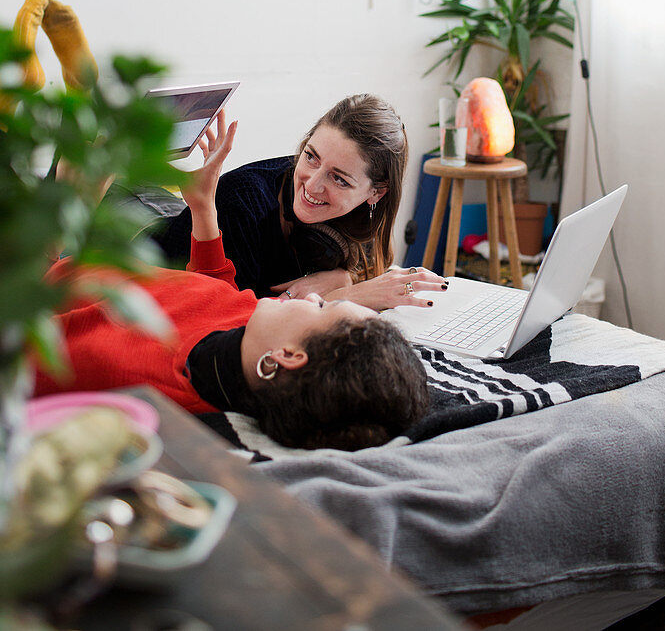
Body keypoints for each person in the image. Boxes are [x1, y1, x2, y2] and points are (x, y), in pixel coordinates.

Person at [33, 113, 430, 451]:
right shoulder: (248, 337)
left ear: (289, 355)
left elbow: (24, 331)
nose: (313, 299)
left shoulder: (130, 368)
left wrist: (65, 218)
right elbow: (214, 294)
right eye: (311, 157)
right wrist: (204, 208)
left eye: (322, 308)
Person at [153, 93, 445, 310]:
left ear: (376, 193)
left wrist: (343, 278)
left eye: (339, 179)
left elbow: (366, 270)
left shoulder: (361, 216)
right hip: (140, 248)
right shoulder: (240, 199)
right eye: (311, 156)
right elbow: (230, 323)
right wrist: (342, 296)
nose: (312, 184)